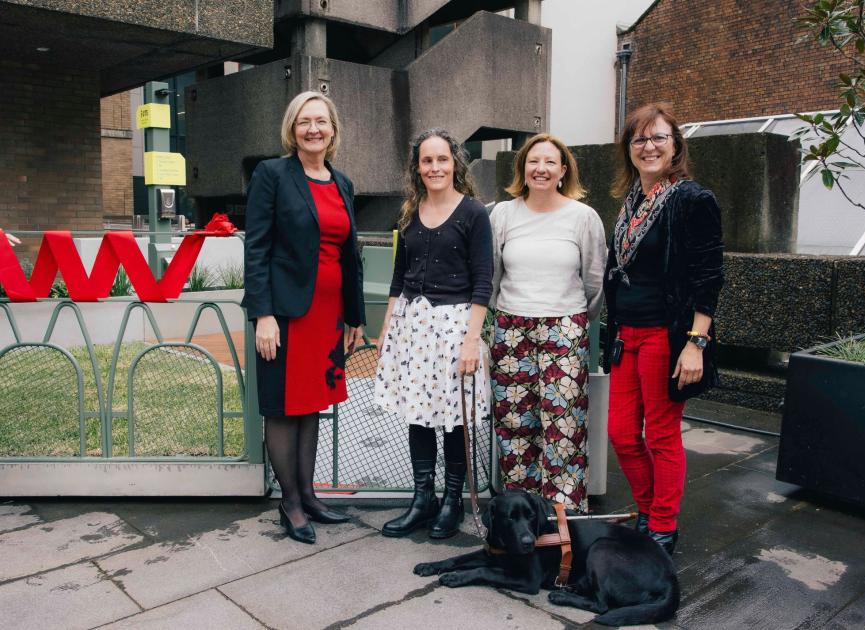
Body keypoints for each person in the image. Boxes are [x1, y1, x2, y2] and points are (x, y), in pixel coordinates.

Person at [242, 91, 366, 545]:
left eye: (321, 121)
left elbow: (349, 253)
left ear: (333, 128)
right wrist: (264, 315)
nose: (313, 129)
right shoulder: (272, 175)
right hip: (286, 314)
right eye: (304, 122)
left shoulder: (341, 182)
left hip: (329, 315)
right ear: (292, 129)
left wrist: (354, 316)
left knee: (313, 403)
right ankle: (289, 503)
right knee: (283, 407)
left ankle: (309, 495)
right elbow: (256, 247)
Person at [603, 103, 724, 556]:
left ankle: (663, 525)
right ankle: (648, 508)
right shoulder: (630, 203)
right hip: (625, 336)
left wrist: (695, 342)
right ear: (629, 150)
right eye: (639, 140)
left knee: (661, 435)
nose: (649, 147)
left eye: (658, 138)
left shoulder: (693, 199)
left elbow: (709, 276)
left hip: (664, 336)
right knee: (620, 433)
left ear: (675, 145)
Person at [374, 128, 493, 539]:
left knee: (455, 420)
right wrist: (387, 330)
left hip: (455, 326)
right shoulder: (410, 211)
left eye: (442, 159)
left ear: (455, 163)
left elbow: (483, 280)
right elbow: (397, 276)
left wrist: (471, 341)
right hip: (413, 326)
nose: (435, 167)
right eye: (427, 161)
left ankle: (452, 502)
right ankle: (421, 500)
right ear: (417, 167)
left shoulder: (473, 213)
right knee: (418, 415)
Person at [489, 133, 606, 512]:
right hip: (511, 329)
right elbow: (491, 275)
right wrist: (510, 313)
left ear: (563, 170)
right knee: (516, 426)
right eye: (533, 161)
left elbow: (595, 281)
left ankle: (564, 518)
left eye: (550, 162)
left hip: (565, 330)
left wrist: (571, 321)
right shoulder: (503, 214)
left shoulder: (582, 217)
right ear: (522, 168)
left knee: (563, 428)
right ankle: (521, 515)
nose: (541, 169)